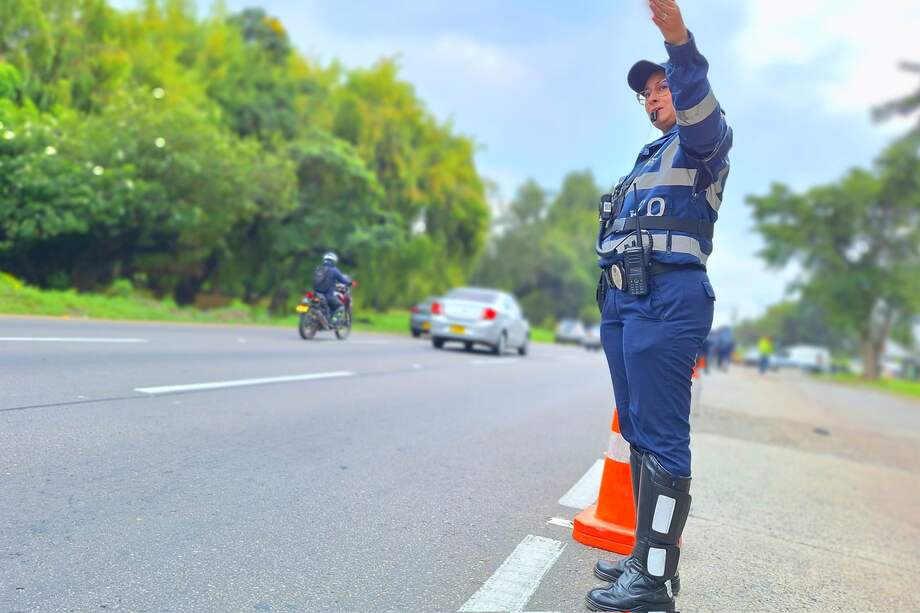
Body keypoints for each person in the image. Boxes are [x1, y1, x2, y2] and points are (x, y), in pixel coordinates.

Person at [587, 1, 732, 611]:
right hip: (627, 298)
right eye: (645, 94)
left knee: (665, 440)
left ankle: (653, 581)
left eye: (661, 87)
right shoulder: (648, 157)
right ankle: (648, 557)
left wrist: (677, 41)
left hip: (667, 298)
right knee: (641, 434)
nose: (653, 98)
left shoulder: (703, 142)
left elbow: (696, 96)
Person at [312, 252, 351, 318]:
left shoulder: (318, 268)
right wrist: (350, 283)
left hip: (316, 294)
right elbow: (342, 280)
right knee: (340, 306)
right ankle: (331, 321)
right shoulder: (334, 270)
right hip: (328, 295)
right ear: (333, 262)